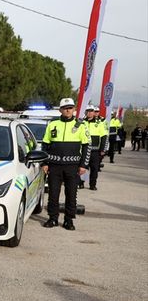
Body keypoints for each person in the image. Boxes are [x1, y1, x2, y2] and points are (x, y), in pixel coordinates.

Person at [41, 98, 89, 231]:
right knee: (53, 194)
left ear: (74, 109)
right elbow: (45, 145)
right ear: (60, 110)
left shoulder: (81, 125)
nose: (68, 110)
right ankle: (53, 218)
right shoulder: (52, 124)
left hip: (72, 166)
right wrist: (45, 162)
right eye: (65, 108)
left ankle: (68, 220)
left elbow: (86, 146)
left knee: (71, 195)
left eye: (70, 107)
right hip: (54, 165)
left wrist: (84, 165)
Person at [82, 106, 107, 191]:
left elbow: (104, 137)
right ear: (85, 112)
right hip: (83, 150)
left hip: (95, 151)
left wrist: (103, 149)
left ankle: (92, 185)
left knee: (94, 169)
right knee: (83, 167)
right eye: (88, 111)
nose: (89, 113)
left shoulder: (99, 123)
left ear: (94, 112)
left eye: (91, 111)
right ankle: (81, 183)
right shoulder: (81, 122)